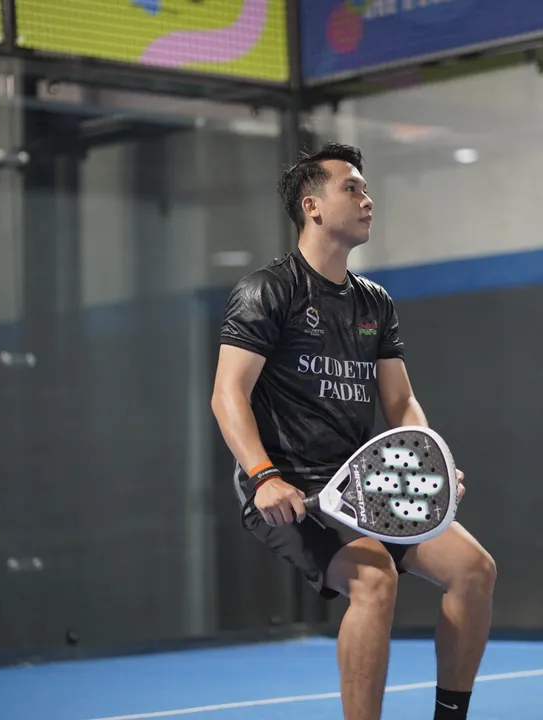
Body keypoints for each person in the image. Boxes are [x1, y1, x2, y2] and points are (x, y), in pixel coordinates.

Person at [211, 142, 496, 720]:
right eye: (352, 188)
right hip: (289, 483)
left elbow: (401, 401)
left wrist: (429, 470)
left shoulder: (375, 303)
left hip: (364, 482)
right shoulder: (268, 291)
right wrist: (264, 476)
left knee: (474, 571)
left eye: (366, 190)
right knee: (374, 578)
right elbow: (228, 394)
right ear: (312, 206)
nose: (368, 200)